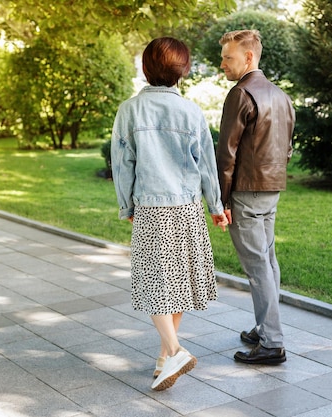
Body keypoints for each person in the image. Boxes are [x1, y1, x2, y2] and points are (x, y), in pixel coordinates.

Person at [111, 37, 228, 391]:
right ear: (184, 71)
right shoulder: (192, 112)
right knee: (176, 285)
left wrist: (126, 205)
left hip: (152, 208)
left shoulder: (129, 111)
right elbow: (207, 165)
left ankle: (172, 353)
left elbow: (122, 166)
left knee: (154, 284)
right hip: (188, 208)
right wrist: (216, 206)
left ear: (146, 69)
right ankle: (165, 358)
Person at [216, 29, 295, 365]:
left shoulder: (241, 93)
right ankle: (264, 328)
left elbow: (226, 154)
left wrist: (221, 201)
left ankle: (272, 342)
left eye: (228, 57)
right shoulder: (281, 95)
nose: (223, 65)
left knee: (257, 267)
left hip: (247, 192)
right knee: (268, 260)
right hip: (272, 189)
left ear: (248, 57)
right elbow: (287, 147)